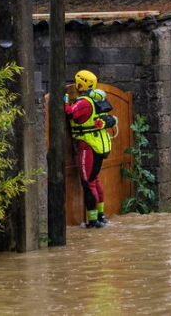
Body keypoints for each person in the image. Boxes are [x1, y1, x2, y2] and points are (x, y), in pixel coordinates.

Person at [64, 70, 117, 228]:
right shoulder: (96, 99)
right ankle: (100, 216)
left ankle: (93, 221)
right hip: (99, 145)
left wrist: (65, 100)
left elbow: (69, 113)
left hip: (88, 146)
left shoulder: (84, 102)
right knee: (95, 180)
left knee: (88, 183)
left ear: (80, 84)